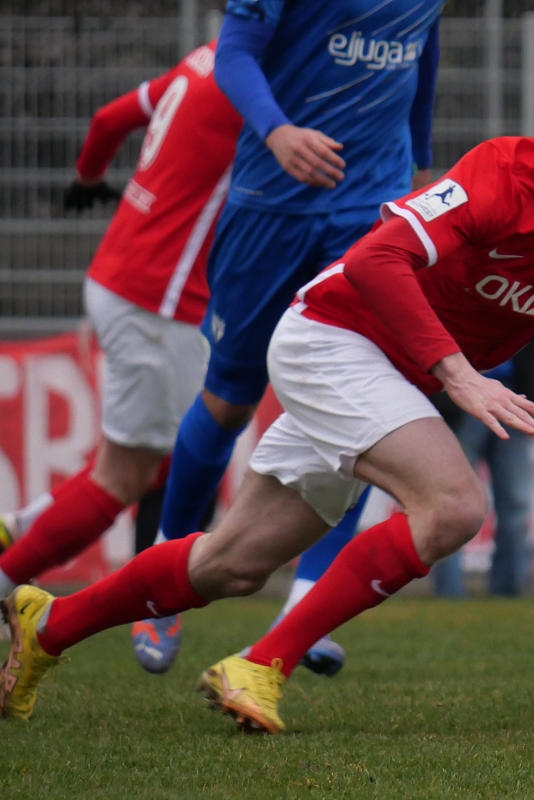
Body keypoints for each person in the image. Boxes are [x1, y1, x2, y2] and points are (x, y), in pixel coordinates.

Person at [0, 75, 534, 730]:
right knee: (454, 506)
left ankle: (49, 625)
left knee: (231, 565)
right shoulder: (505, 175)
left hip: (394, 376)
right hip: (333, 336)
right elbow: (377, 261)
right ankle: (261, 666)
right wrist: (459, 375)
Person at [140, 0, 443, 675]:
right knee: (229, 400)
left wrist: (419, 165)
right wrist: (277, 131)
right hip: (270, 209)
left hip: (369, 211)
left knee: (362, 399)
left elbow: (423, 49)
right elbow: (234, 54)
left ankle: (305, 605)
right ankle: (162, 580)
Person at [0, 41, 240, 642]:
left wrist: (88, 177)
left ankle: (25, 526)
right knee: (131, 476)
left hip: (120, 276)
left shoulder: (206, 60)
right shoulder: (258, 87)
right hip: (158, 302)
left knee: (158, 455)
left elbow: (107, 120)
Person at [430, 336, 534, 598]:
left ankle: (508, 591)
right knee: (452, 501)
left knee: (516, 502)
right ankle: (449, 593)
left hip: (514, 397)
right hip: (459, 399)